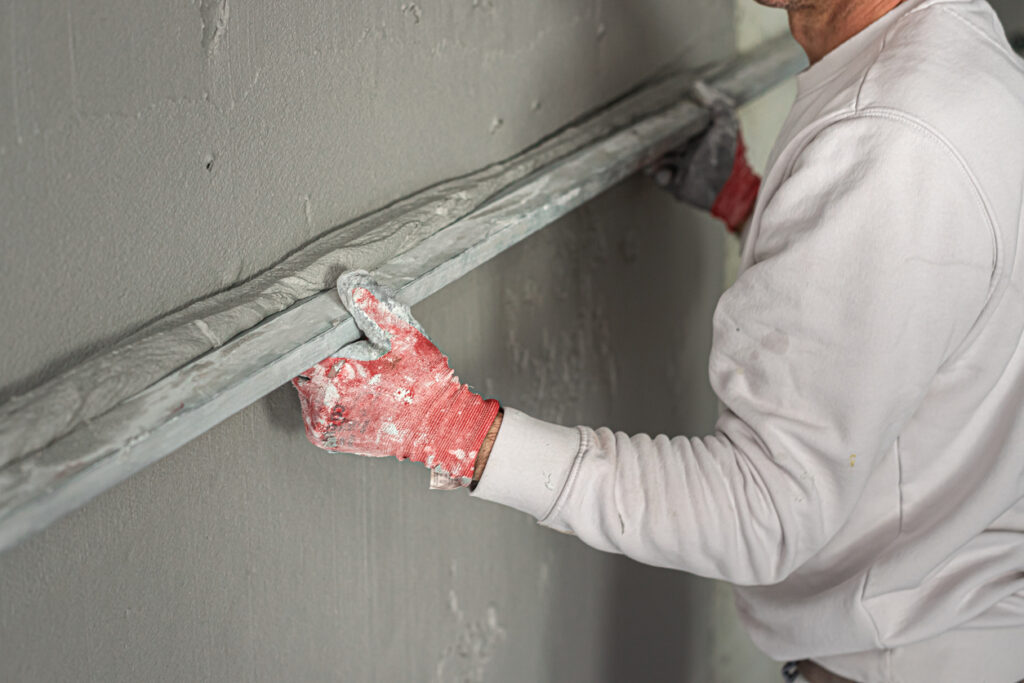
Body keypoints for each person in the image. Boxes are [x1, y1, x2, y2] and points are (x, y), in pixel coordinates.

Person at [291, 0, 1024, 680]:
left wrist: (458, 432)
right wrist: (749, 204)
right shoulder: (960, 57)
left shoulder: (894, 139)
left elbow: (763, 511)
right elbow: (924, 314)